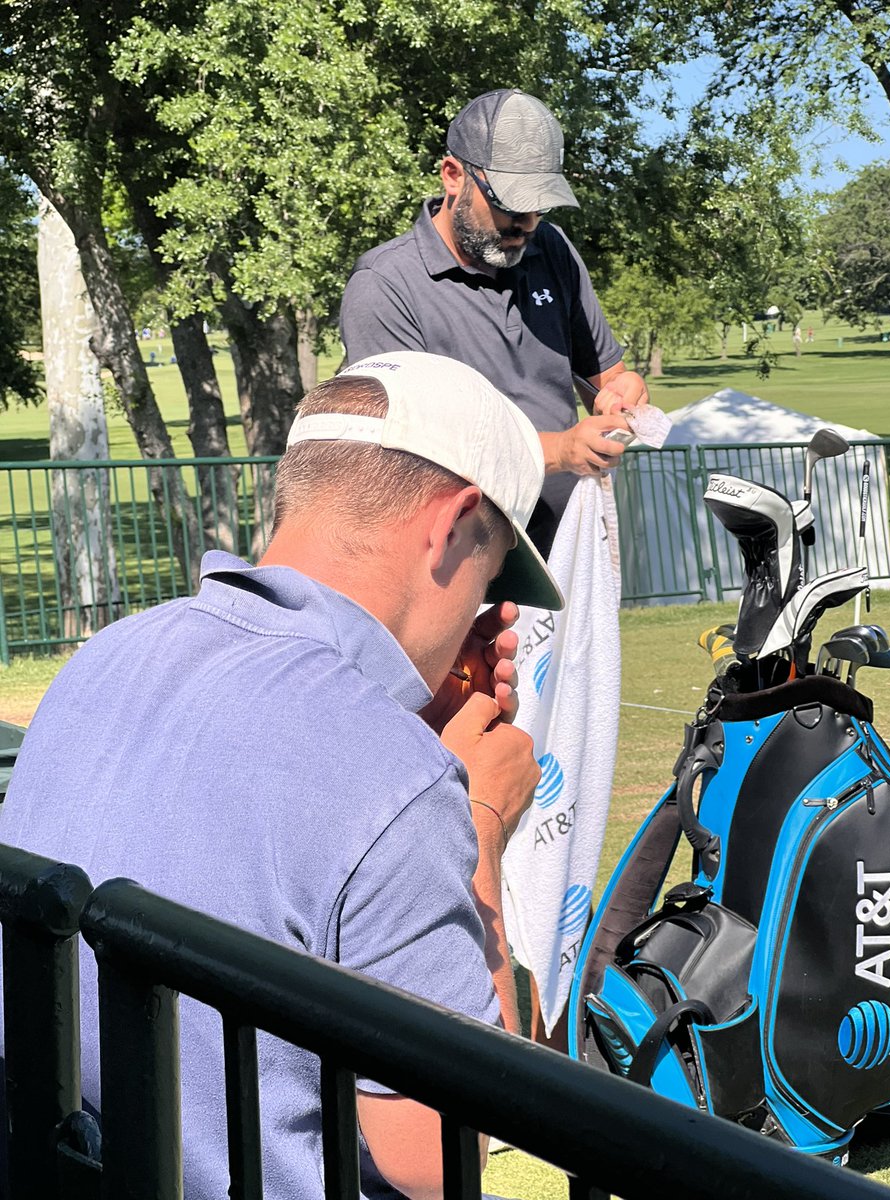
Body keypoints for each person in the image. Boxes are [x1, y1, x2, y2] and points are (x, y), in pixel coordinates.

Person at [1, 351, 563, 1200]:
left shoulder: (107, 656)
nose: (480, 621)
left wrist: (406, 735)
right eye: (487, 580)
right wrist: (477, 818)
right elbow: (445, 1160)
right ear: (451, 524)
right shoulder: (395, 782)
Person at [339, 87, 649, 557]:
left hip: (568, 551)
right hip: (452, 565)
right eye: (509, 203)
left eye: (539, 207)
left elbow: (603, 377)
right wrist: (559, 451)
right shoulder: (385, 284)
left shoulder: (553, 249)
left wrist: (622, 393)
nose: (526, 223)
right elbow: (414, 448)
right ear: (452, 176)